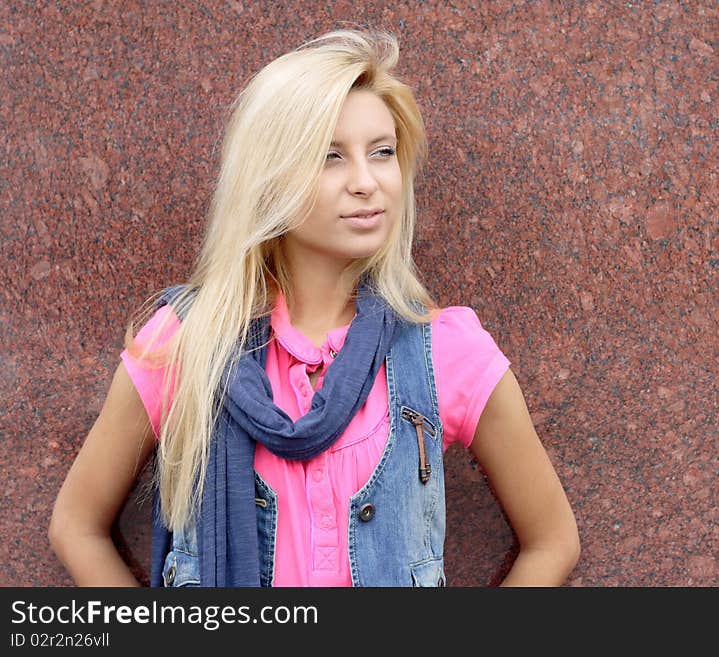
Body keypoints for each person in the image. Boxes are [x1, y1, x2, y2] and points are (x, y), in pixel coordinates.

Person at [49, 29, 580, 587]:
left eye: (382, 152)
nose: (366, 182)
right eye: (330, 157)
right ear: (269, 178)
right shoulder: (186, 344)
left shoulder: (441, 351)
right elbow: (77, 524)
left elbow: (552, 541)